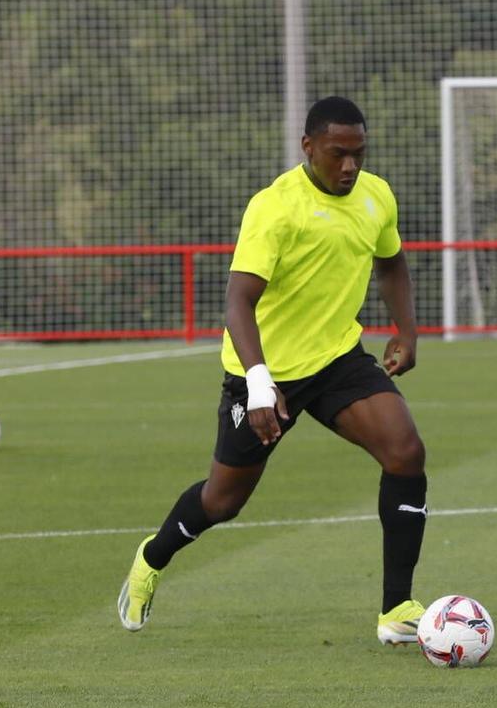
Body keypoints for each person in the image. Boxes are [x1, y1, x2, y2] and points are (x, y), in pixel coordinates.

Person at [118, 96, 430, 643]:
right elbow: (239, 301)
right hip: (263, 371)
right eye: (338, 154)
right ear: (308, 147)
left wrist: (405, 328)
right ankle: (151, 557)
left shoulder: (375, 195)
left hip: (337, 358)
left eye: (359, 153)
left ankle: (397, 608)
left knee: (406, 453)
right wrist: (260, 385)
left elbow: (391, 261)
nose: (350, 166)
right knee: (223, 501)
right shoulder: (274, 208)